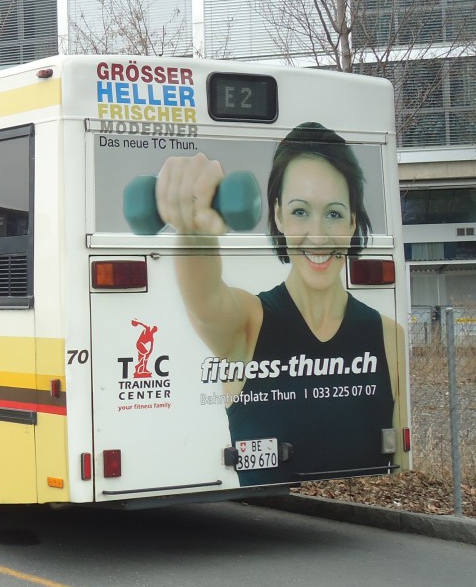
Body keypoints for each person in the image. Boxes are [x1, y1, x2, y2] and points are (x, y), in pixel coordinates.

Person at [155, 122, 403, 484]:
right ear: (278, 215)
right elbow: (204, 295)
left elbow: (396, 464)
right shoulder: (249, 322)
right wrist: (195, 231)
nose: (317, 235)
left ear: (352, 222)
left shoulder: (387, 336)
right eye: (300, 211)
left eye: (333, 214)